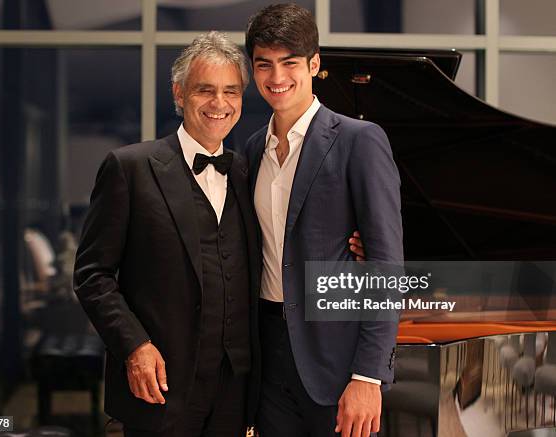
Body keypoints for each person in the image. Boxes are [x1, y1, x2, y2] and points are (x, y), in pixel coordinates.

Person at [73, 31, 261, 437]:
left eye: (231, 91)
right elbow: (92, 276)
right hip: (160, 387)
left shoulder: (248, 174)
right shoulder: (129, 168)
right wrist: (134, 346)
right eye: (205, 90)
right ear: (179, 94)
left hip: (235, 389)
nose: (219, 103)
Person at [244, 4, 404, 437]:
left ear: (315, 64)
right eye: (265, 65)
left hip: (336, 361)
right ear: (253, 71)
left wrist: (368, 377)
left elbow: (386, 268)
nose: (277, 77)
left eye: (290, 63)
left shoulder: (359, 140)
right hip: (269, 355)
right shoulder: (251, 149)